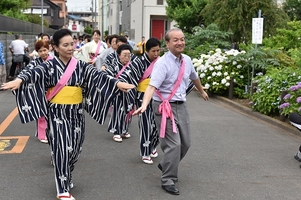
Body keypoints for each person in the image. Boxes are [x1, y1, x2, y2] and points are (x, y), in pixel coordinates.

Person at [1, 29, 134, 200]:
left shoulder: (81, 66)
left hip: (76, 113)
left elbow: (98, 76)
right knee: (61, 149)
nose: (70, 48)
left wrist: (116, 84)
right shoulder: (48, 66)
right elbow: (32, 73)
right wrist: (19, 80)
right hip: (57, 114)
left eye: (72, 44)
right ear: (55, 47)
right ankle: (62, 189)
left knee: (75, 149)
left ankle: (66, 175)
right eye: (65, 45)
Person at [133, 28, 209, 195]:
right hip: (163, 107)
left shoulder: (187, 60)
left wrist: (201, 91)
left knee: (186, 143)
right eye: (175, 40)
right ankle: (168, 179)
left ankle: (167, 163)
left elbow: (194, 77)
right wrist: (145, 104)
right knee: (174, 145)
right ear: (167, 44)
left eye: (182, 39)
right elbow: (152, 86)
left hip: (181, 105)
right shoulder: (162, 63)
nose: (180, 42)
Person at [118, 38, 161, 164]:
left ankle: (153, 146)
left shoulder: (161, 62)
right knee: (146, 124)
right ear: (147, 51)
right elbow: (127, 76)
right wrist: (120, 84)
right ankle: (145, 152)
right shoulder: (138, 62)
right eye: (154, 51)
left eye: (158, 50)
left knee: (158, 124)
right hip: (142, 97)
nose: (156, 54)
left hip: (158, 96)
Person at [21, 40, 53, 143]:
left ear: (49, 49)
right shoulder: (35, 62)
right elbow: (26, 72)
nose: (43, 53)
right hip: (39, 91)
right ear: (37, 52)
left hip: (53, 91)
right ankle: (42, 135)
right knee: (41, 113)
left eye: (45, 50)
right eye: (40, 51)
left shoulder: (54, 61)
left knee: (52, 114)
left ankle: (51, 133)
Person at [105, 44, 136, 142]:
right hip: (118, 93)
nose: (127, 58)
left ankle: (124, 130)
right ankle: (116, 131)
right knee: (118, 112)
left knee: (128, 111)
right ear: (119, 55)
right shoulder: (114, 65)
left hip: (130, 92)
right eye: (124, 55)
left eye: (128, 55)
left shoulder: (133, 65)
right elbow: (106, 76)